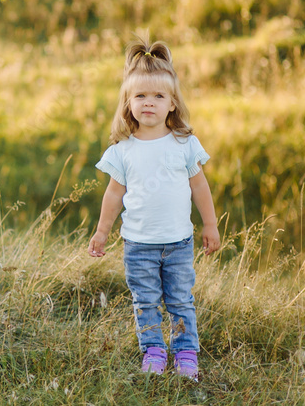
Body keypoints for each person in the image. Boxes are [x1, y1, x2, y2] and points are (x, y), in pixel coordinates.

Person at [88, 38, 220, 380]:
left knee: (180, 300)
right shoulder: (123, 149)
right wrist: (102, 231)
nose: (150, 103)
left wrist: (210, 224)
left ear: (172, 103)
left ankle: (186, 352)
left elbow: (199, 186)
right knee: (145, 302)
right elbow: (114, 195)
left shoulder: (184, 144)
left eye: (159, 96)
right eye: (141, 96)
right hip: (137, 245)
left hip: (178, 243)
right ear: (128, 103)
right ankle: (154, 351)